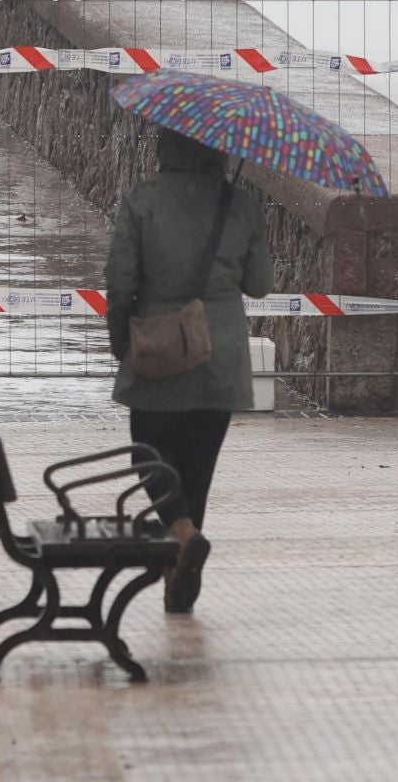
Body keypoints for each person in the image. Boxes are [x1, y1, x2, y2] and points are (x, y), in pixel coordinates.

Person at [104, 127, 272, 613]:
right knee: (196, 477)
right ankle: (179, 583)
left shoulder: (142, 200)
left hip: (157, 353)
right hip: (219, 359)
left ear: (164, 146)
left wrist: (123, 345)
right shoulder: (240, 204)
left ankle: (180, 535)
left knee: (149, 461)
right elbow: (260, 284)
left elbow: (119, 283)